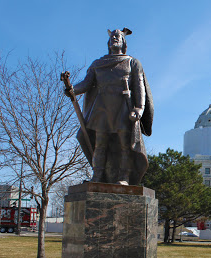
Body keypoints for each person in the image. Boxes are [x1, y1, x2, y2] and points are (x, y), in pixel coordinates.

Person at [65, 28, 153, 185]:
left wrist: (139, 108)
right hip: (102, 109)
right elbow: (86, 84)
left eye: (118, 36)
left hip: (123, 108)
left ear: (124, 41)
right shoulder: (98, 64)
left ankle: (124, 177)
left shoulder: (132, 62)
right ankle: (97, 176)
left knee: (124, 145)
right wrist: (72, 89)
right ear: (108, 41)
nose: (115, 38)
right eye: (113, 36)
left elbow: (140, 88)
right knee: (100, 145)